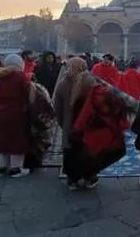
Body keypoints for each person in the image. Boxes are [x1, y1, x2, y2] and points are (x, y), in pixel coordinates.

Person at [53, 57, 93, 189]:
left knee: (70, 152)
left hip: (69, 124)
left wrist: (62, 123)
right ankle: (88, 178)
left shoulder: (62, 83)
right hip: (87, 123)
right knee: (87, 151)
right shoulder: (90, 81)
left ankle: (72, 179)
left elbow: (57, 107)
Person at [0, 54, 33, 178]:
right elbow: (28, 93)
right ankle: (16, 168)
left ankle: (1, 168)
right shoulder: (20, 77)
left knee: (2, 139)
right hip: (17, 112)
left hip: (0, 112)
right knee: (17, 139)